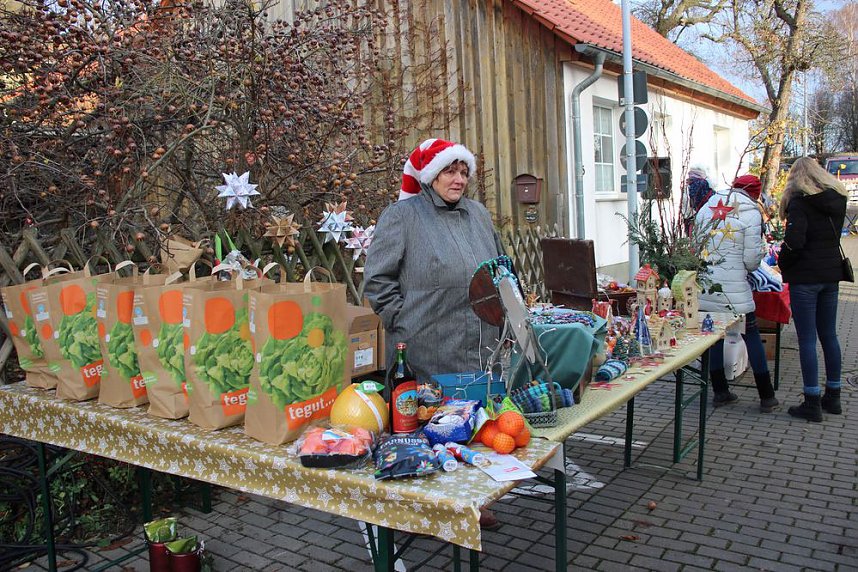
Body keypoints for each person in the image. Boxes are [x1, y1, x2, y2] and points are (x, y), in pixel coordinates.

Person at [364, 137, 505, 528]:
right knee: (428, 428)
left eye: (463, 172)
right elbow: (377, 281)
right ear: (430, 176)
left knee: (472, 424)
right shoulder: (402, 216)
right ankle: (425, 509)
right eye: (449, 171)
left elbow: (498, 267)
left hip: (476, 341)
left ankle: (473, 503)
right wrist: (403, 322)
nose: (458, 179)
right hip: (425, 346)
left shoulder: (477, 214)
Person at [695, 174, 778, 413]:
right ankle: (767, 396)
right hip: (735, 291)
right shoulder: (751, 213)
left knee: (714, 337)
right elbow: (751, 261)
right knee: (751, 334)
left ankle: (720, 391)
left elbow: (695, 245)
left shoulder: (707, 206)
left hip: (707, 286)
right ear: (754, 192)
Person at [777, 157, 848, 422]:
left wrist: (783, 262)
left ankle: (811, 400)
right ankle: (834, 395)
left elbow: (795, 242)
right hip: (831, 275)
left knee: (807, 339)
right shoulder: (837, 200)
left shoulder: (800, 203)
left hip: (805, 279)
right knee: (829, 335)